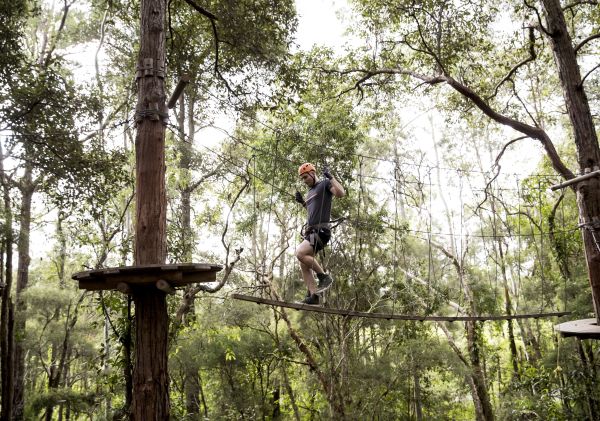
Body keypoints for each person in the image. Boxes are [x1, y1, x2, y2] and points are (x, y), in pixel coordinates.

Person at [294, 162, 345, 305]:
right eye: (302, 178)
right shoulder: (310, 193)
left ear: (312, 173)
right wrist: (303, 203)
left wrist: (331, 177)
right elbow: (313, 213)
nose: (305, 181)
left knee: (300, 253)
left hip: (321, 231)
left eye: (306, 177)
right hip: (312, 231)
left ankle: (323, 276)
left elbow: (341, 193)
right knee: (303, 263)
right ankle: (313, 296)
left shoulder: (324, 185)